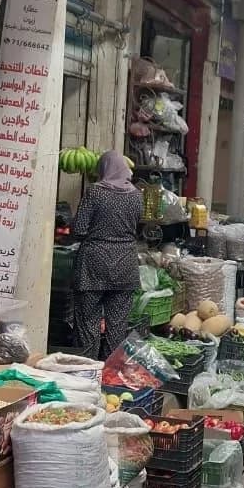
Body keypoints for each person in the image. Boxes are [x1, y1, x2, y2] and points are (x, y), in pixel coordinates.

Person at [70, 150, 143, 360]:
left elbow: (80, 229)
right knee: (117, 327)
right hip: (125, 266)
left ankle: (87, 370)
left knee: (87, 325)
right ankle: (111, 376)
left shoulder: (95, 192)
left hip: (94, 266)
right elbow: (138, 226)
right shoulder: (136, 195)